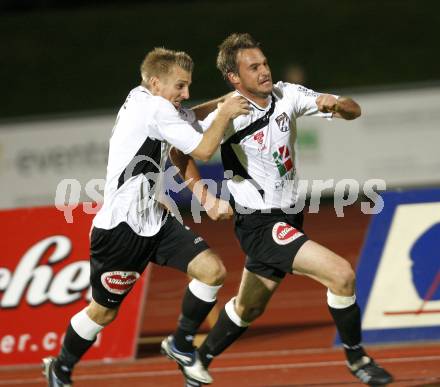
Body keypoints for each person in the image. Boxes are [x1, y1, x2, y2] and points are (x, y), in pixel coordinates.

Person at [167, 33, 394, 386]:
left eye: (264, 63)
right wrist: (206, 199)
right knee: (341, 274)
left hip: (289, 216)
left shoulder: (286, 94)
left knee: (249, 307)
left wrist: (339, 105)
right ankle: (358, 358)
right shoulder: (228, 114)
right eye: (252, 67)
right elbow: (179, 153)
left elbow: (351, 108)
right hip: (260, 223)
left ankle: (197, 359)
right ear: (234, 77)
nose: (263, 71)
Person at [42, 47, 249, 387]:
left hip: (155, 218)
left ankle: (181, 343)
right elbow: (202, 150)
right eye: (180, 87)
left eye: (188, 86)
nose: (185, 94)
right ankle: (61, 365)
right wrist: (226, 112)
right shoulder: (155, 107)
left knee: (212, 271)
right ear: (156, 83)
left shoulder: (144, 97)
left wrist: (220, 103)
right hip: (121, 231)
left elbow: (187, 117)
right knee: (103, 311)